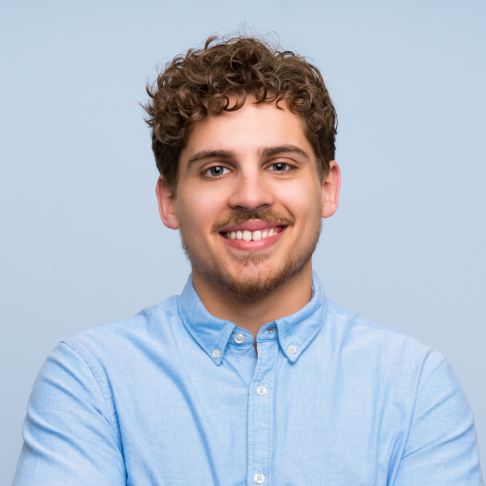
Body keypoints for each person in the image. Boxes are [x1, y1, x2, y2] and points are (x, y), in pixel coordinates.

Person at [13, 35, 483, 486]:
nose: (251, 196)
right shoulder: (91, 380)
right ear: (170, 200)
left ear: (327, 188)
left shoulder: (416, 388)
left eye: (280, 165)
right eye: (216, 169)